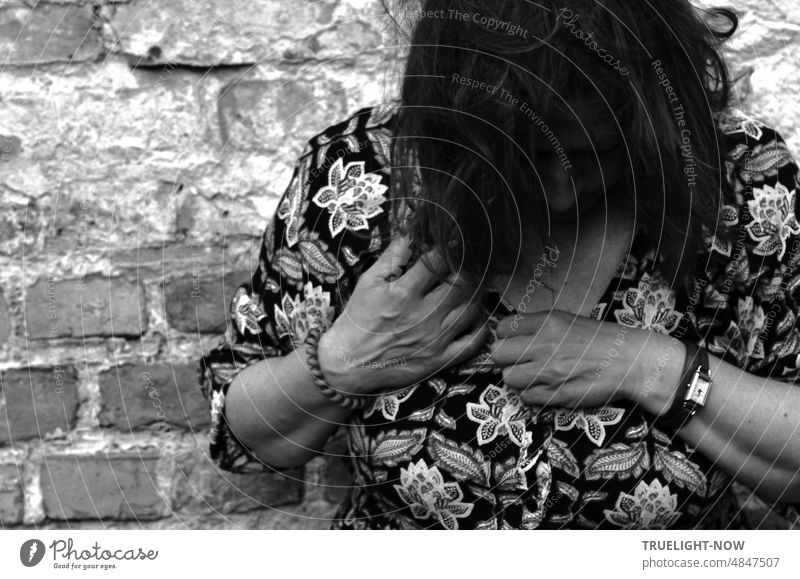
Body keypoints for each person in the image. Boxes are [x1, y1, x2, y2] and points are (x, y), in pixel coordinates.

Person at [198, 0, 800, 529]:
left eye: (599, 152)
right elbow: (247, 440)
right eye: (530, 155)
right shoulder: (363, 180)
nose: (564, 190)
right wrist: (345, 363)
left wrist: (657, 370)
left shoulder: (743, 185)